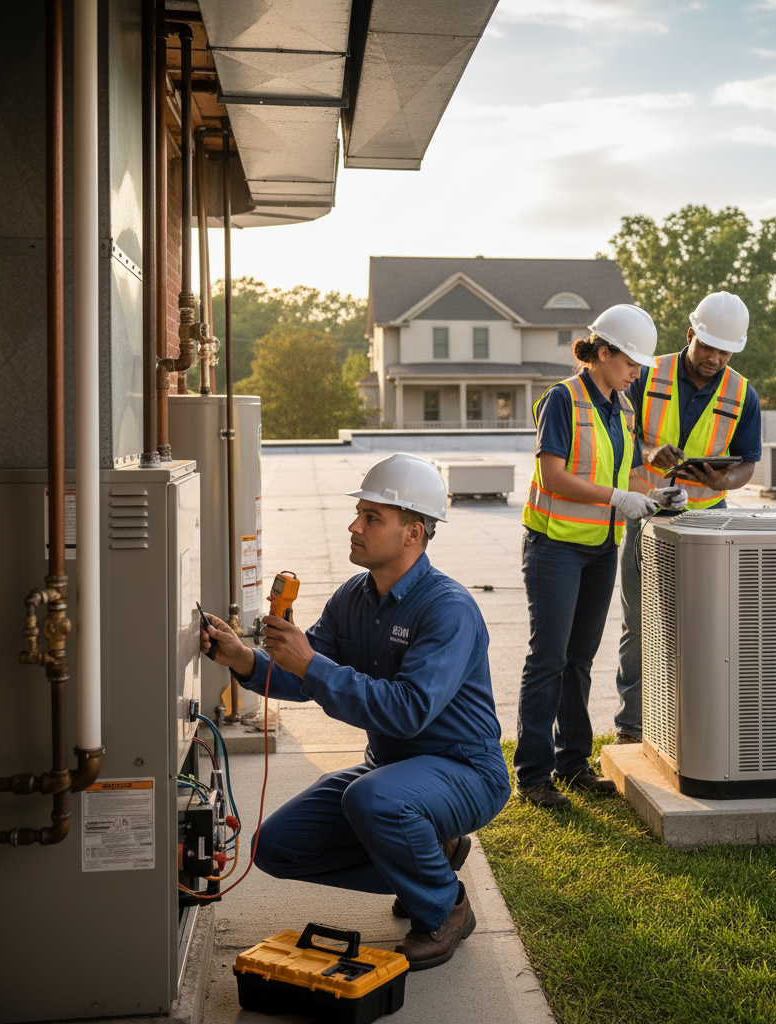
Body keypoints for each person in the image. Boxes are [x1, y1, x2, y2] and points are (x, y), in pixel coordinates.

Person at [200, 453, 511, 971]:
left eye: (372, 518)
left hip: (465, 772)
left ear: (413, 533)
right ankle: (433, 857)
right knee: (275, 847)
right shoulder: (355, 597)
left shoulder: (448, 609)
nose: (355, 526)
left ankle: (443, 909)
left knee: (373, 799)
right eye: (359, 513)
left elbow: (408, 711)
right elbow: (306, 671)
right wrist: (244, 659)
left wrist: (311, 664)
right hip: (390, 772)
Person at [514, 304, 685, 810]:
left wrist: (656, 493)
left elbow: (629, 475)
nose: (637, 373)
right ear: (602, 352)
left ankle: (572, 762)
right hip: (555, 547)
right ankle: (532, 774)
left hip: (600, 547)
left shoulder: (623, 405)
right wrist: (618, 499)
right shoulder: (561, 400)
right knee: (548, 658)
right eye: (631, 362)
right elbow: (552, 477)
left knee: (579, 660)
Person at [612, 290, 763, 743]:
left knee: (706, 627)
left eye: (725, 351)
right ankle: (632, 729)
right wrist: (648, 453)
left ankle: (696, 727)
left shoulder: (742, 393)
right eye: (708, 346)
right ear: (691, 332)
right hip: (647, 517)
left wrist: (724, 482)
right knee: (638, 625)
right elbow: (615, 444)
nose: (715, 357)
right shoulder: (644, 373)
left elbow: (748, 463)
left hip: (708, 523)